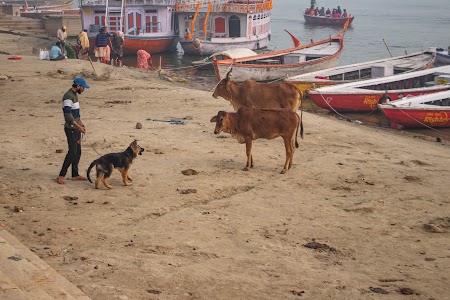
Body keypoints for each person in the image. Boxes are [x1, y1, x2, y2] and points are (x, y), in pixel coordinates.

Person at [56, 78, 90, 185]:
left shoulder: (75, 95)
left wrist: (81, 123)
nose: (84, 89)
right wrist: (78, 126)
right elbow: (68, 115)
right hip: (71, 129)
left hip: (76, 128)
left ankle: (75, 174)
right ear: (78, 86)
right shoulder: (68, 96)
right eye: (83, 87)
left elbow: (75, 114)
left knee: (78, 152)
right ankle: (61, 175)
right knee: (72, 152)